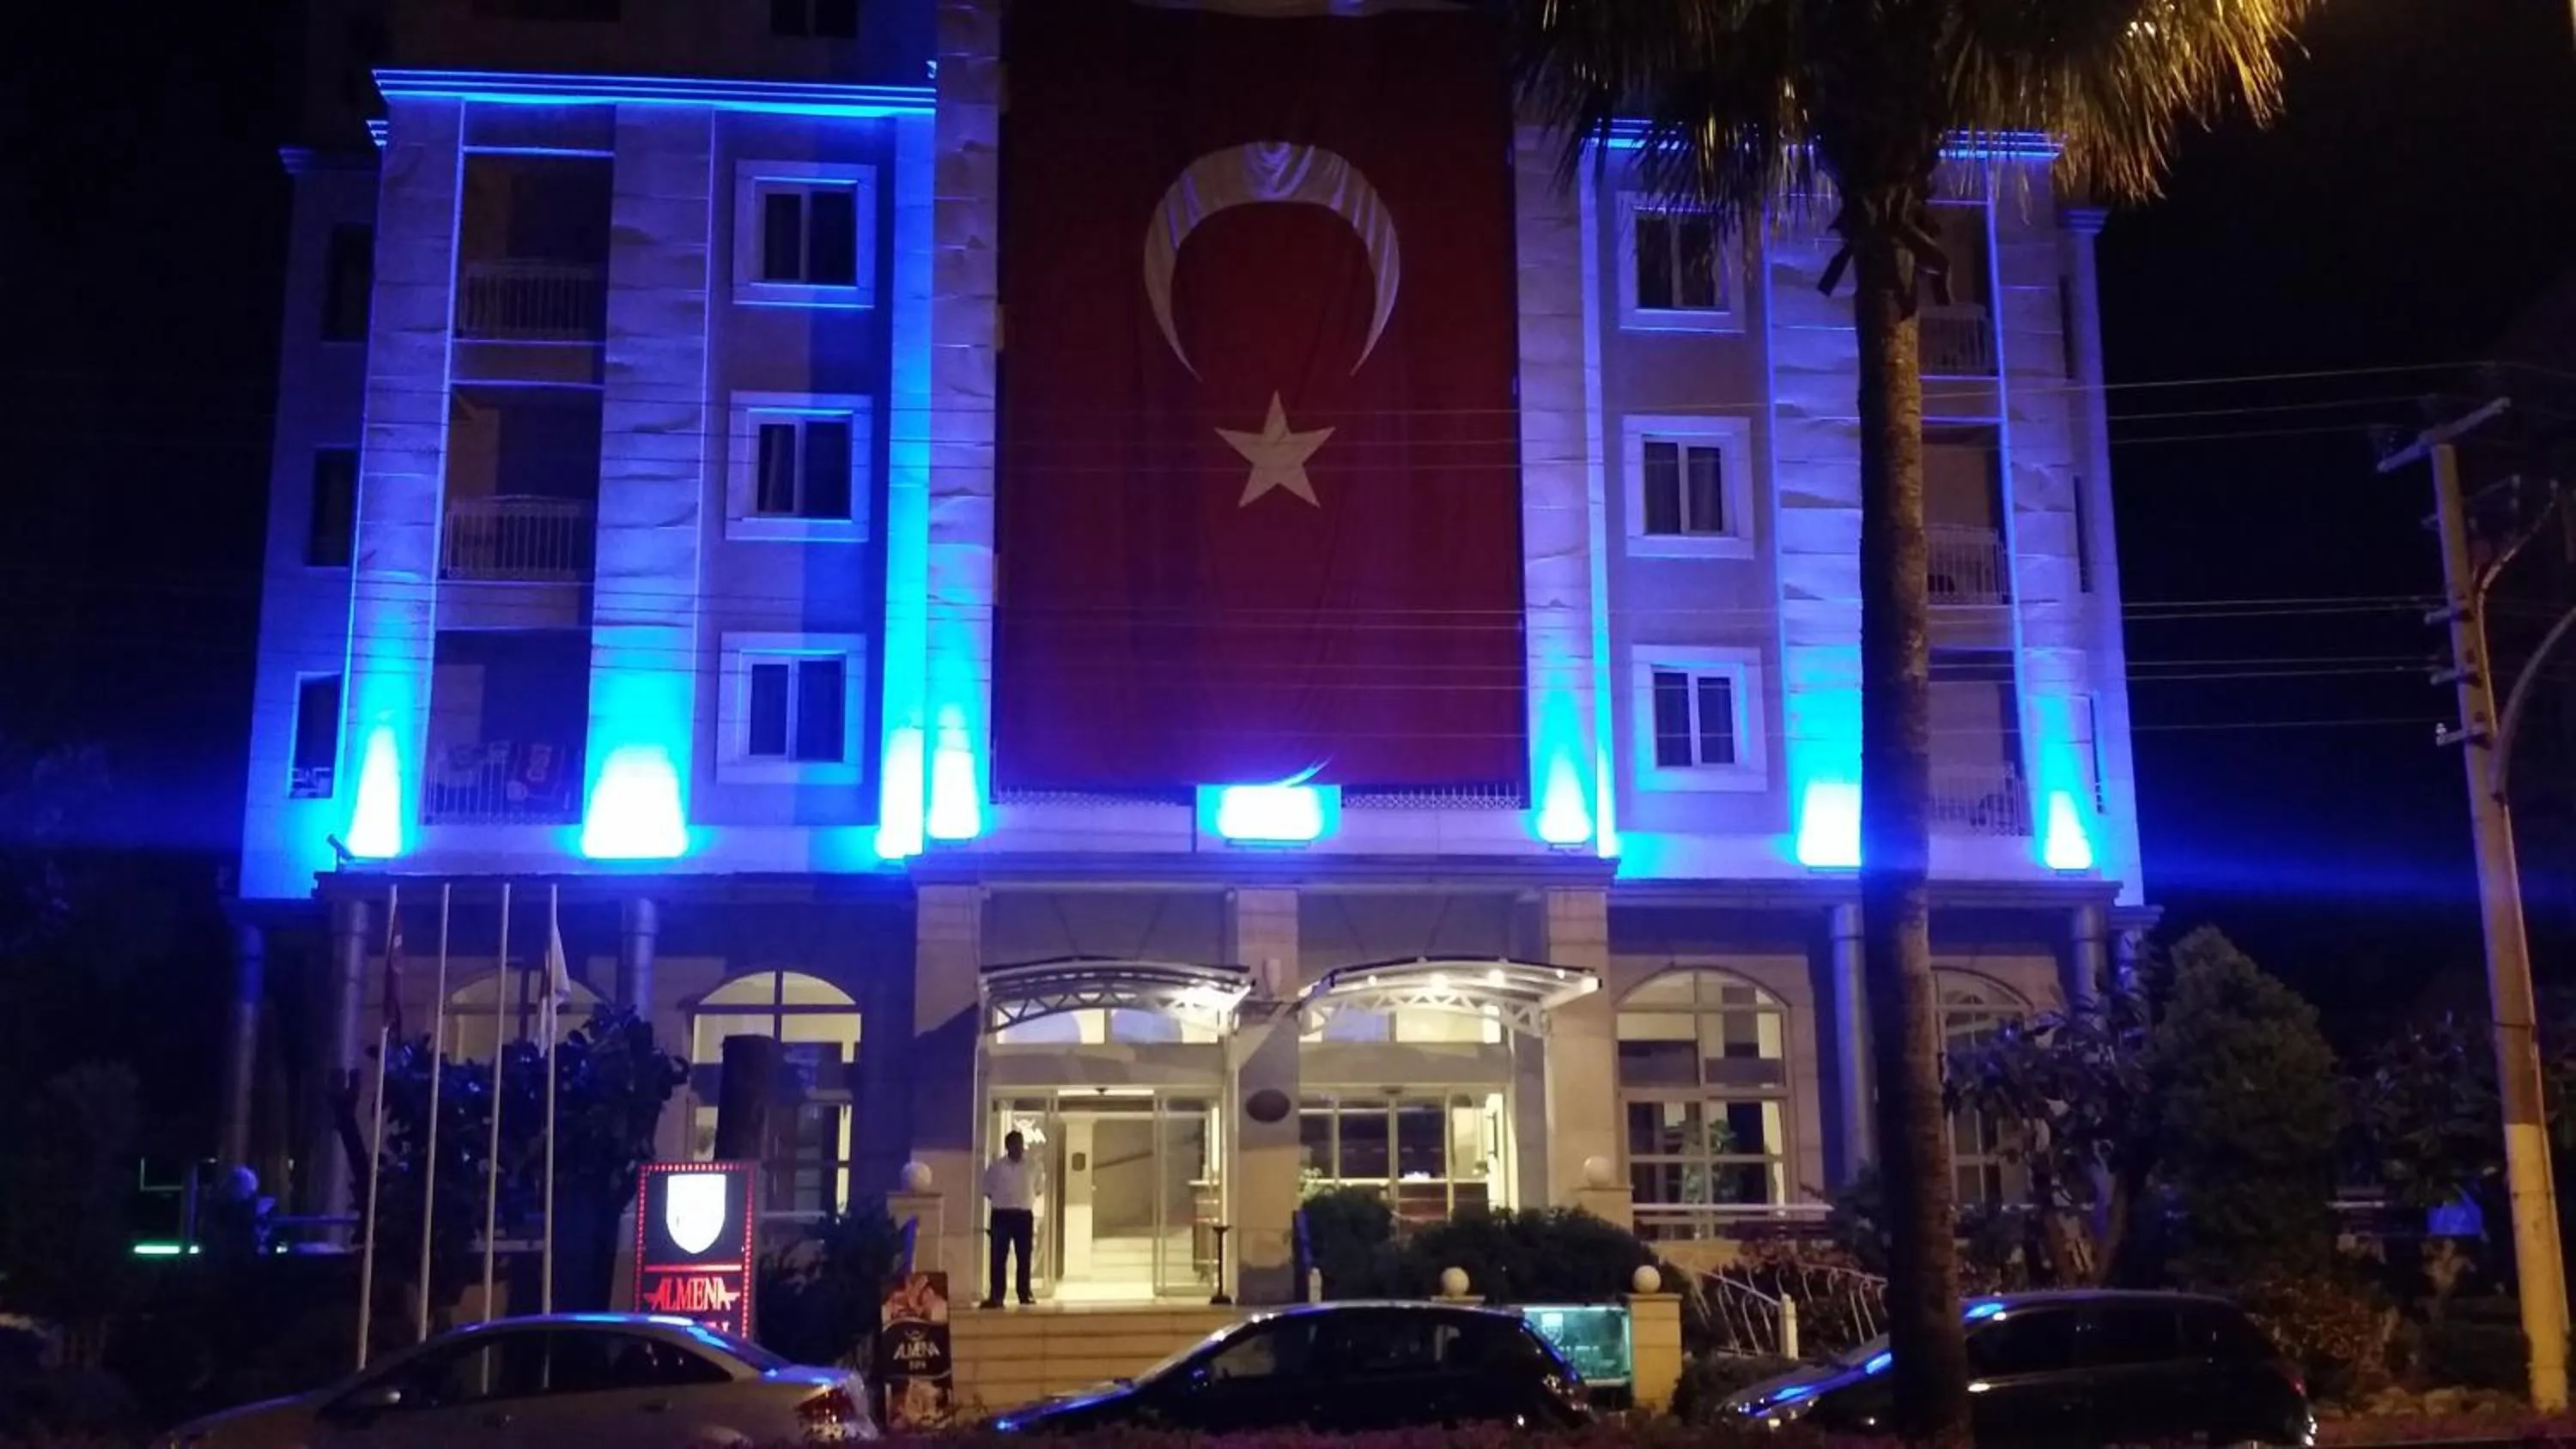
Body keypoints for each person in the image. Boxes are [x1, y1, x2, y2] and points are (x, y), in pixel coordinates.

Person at [981, 1130, 1036, 1307]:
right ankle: (996, 1296)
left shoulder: (1033, 1166)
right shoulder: (996, 1167)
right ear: (1007, 1146)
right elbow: (987, 1190)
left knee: (1024, 1256)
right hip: (1001, 1215)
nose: (1018, 1148)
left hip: (1023, 1216)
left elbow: (1038, 1188)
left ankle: (1024, 1293)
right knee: (998, 1257)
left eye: (1020, 1144)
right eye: (1014, 1144)